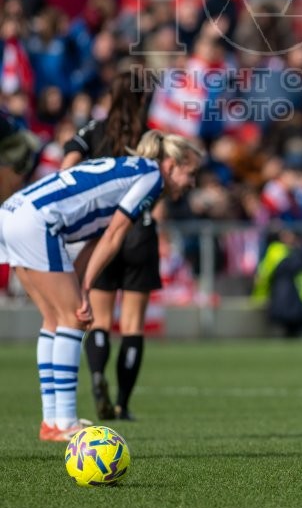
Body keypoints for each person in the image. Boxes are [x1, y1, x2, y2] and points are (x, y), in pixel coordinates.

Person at [0, 130, 202, 441]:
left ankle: (52, 422)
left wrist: (81, 283)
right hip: (37, 221)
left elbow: (97, 237)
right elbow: (113, 236)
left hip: (13, 212)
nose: (192, 183)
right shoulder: (151, 176)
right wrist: (86, 289)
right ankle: (65, 421)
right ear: (172, 164)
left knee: (55, 320)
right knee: (74, 318)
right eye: (191, 173)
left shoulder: (130, 169)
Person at [60, 70, 155, 421]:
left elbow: (66, 167)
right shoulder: (149, 138)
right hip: (140, 231)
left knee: (99, 321)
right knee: (132, 324)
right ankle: (123, 404)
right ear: (144, 99)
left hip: (102, 232)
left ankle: (98, 376)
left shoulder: (94, 131)